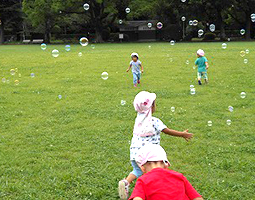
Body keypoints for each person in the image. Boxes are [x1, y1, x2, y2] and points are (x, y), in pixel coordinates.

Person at [118, 91, 194, 200]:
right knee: (155, 173)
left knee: (137, 170)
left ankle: (126, 182)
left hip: (135, 153)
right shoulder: (155, 121)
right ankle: (152, 191)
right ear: (152, 107)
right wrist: (182, 134)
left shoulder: (138, 120)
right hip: (150, 156)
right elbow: (167, 131)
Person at [129, 144, 204, 200]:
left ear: (143, 169)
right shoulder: (179, 176)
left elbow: (137, 198)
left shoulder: (143, 180)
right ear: (166, 165)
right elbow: (196, 197)